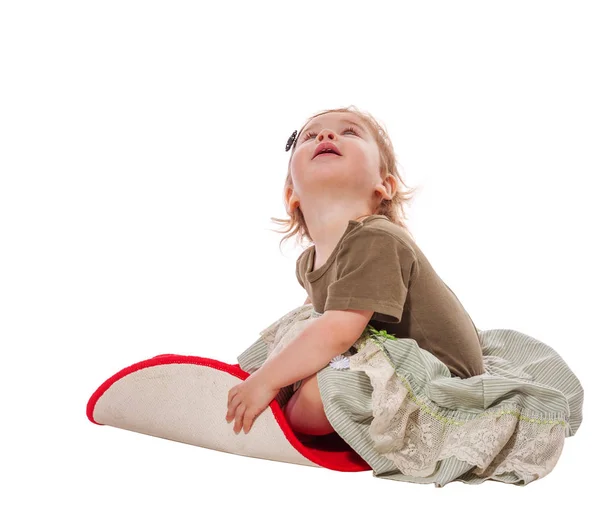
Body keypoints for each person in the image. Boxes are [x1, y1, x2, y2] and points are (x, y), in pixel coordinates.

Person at [226, 105, 485, 439]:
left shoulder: (375, 238)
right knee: (296, 330)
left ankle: (273, 406)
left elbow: (338, 331)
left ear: (384, 185)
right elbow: (311, 321)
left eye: (349, 132)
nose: (326, 135)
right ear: (292, 195)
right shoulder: (309, 261)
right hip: (383, 356)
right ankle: (246, 384)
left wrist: (270, 380)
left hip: (437, 379)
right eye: (309, 136)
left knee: (314, 403)